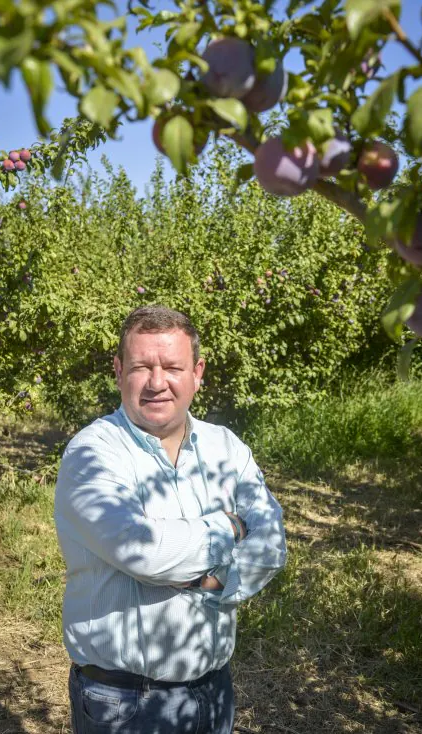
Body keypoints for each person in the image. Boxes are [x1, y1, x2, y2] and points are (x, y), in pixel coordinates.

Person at [54, 304, 287, 734]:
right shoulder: (93, 452)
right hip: (123, 701)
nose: (157, 383)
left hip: (214, 689)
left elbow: (272, 544)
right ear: (119, 370)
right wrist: (231, 528)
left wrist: (215, 582)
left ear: (197, 373)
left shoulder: (226, 449)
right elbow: (141, 550)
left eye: (173, 367)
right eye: (142, 366)